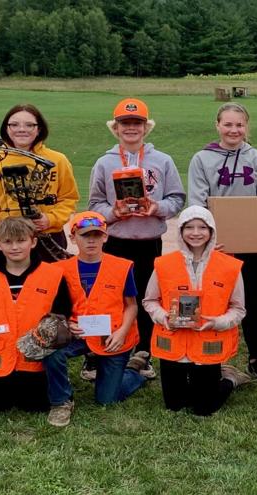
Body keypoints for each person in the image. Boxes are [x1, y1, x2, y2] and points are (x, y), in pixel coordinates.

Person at [187, 102, 257, 386]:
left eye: (239, 124)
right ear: (217, 125)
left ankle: (256, 357)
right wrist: (204, 240)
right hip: (217, 246)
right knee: (214, 301)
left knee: (252, 301)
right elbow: (197, 203)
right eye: (228, 124)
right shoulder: (202, 159)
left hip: (252, 245)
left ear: (246, 126)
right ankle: (210, 356)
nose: (234, 130)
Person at [88, 96, 184, 380]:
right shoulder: (104, 163)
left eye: (137, 123)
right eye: (125, 123)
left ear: (146, 127)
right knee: (110, 297)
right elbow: (94, 205)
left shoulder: (162, 160)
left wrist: (157, 208)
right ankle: (100, 351)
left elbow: (177, 198)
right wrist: (113, 213)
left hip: (149, 242)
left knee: (145, 296)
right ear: (115, 128)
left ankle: (142, 353)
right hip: (116, 241)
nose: (131, 128)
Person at [141, 206, 251, 416]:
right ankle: (196, 384)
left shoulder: (230, 267)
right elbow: (150, 301)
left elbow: (238, 309)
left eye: (202, 227)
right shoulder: (164, 264)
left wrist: (217, 322)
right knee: (174, 405)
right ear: (180, 231)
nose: (196, 232)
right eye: (189, 227)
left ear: (211, 231)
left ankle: (230, 379)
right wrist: (164, 318)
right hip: (174, 345)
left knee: (203, 409)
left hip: (206, 345)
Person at [42, 211, 145, 427]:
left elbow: (132, 305)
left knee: (106, 399)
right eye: (85, 235)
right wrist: (67, 323)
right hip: (77, 334)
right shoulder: (58, 270)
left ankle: (133, 371)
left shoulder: (121, 266)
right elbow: (55, 307)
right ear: (73, 238)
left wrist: (122, 332)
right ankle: (62, 400)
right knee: (51, 350)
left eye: (97, 235)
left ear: (105, 237)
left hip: (113, 335)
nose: (91, 240)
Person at [0, 216, 75, 416]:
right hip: (0, 351)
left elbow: (63, 310)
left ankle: (52, 381)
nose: (15, 247)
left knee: (34, 407)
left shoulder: (53, 274)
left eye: (21, 240)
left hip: (35, 353)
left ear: (33, 242)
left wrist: (50, 331)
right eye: (8, 242)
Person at [0, 103, 79, 261]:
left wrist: (49, 219)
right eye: (14, 125)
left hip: (48, 236)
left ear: (39, 129)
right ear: (6, 129)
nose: (21, 129)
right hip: (9, 238)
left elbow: (68, 198)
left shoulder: (58, 160)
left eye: (29, 125)